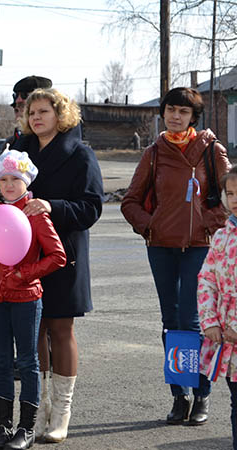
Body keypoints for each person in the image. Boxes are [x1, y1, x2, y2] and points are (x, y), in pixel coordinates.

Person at [122, 87, 230, 426]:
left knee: (193, 321)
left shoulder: (211, 151)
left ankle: (201, 396)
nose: (175, 116)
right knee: (170, 322)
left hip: (199, 248)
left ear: (193, 117)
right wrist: (149, 226)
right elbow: (130, 202)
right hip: (161, 247)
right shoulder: (154, 152)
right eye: (170, 110)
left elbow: (231, 197)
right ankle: (178, 396)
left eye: (182, 112)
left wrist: (205, 225)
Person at [8, 88, 103, 443]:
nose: (36, 117)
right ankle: (39, 409)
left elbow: (92, 208)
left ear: (60, 115)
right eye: (31, 112)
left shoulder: (81, 154)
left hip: (65, 255)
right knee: (34, 332)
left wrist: (53, 206)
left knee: (60, 330)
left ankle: (62, 412)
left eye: (44, 111)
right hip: (25, 255)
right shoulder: (19, 154)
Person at [0, 149, 66, 450]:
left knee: (26, 361)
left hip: (26, 297)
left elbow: (58, 256)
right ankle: (4, 427)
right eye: (3, 178)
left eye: (16, 178)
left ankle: (26, 429)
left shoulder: (34, 213)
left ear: (26, 180)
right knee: (0, 361)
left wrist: (25, 274)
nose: (10, 184)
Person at [0, 75, 52, 361]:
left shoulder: (50, 139)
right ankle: (2, 345)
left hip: (36, 223)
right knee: (1, 292)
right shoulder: (17, 139)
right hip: (8, 226)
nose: (21, 104)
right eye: (18, 100)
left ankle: (33, 356)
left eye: (28, 99)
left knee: (38, 308)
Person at [198, 166, 237, 450]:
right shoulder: (223, 236)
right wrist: (210, 321)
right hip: (229, 341)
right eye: (231, 193)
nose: (235, 199)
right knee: (236, 401)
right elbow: (207, 280)